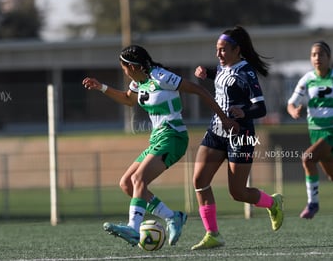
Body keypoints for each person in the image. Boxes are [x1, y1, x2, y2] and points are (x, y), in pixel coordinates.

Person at [82, 44, 238, 247]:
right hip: (158, 138)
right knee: (127, 184)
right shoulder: (139, 82)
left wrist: (224, 118)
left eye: (124, 68)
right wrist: (101, 87)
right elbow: (129, 100)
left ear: (134, 66)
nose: (124, 73)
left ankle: (133, 227)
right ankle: (173, 216)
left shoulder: (160, 76)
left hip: (173, 136)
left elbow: (198, 89)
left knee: (138, 179)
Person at [191, 26, 284, 250]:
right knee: (199, 181)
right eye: (217, 49)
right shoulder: (224, 67)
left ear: (236, 50)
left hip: (240, 136)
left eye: (223, 50)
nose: (218, 54)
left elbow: (261, 108)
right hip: (216, 131)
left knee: (238, 193)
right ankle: (213, 234)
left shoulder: (246, 72)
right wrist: (207, 72)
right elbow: (224, 77)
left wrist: (245, 113)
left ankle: (273, 203)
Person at [287, 40, 333, 219]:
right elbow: (291, 103)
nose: (317, 58)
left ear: (329, 58)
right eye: (314, 55)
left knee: (307, 158)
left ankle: (313, 203)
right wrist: (294, 111)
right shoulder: (307, 79)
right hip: (316, 133)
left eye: (321, 54)